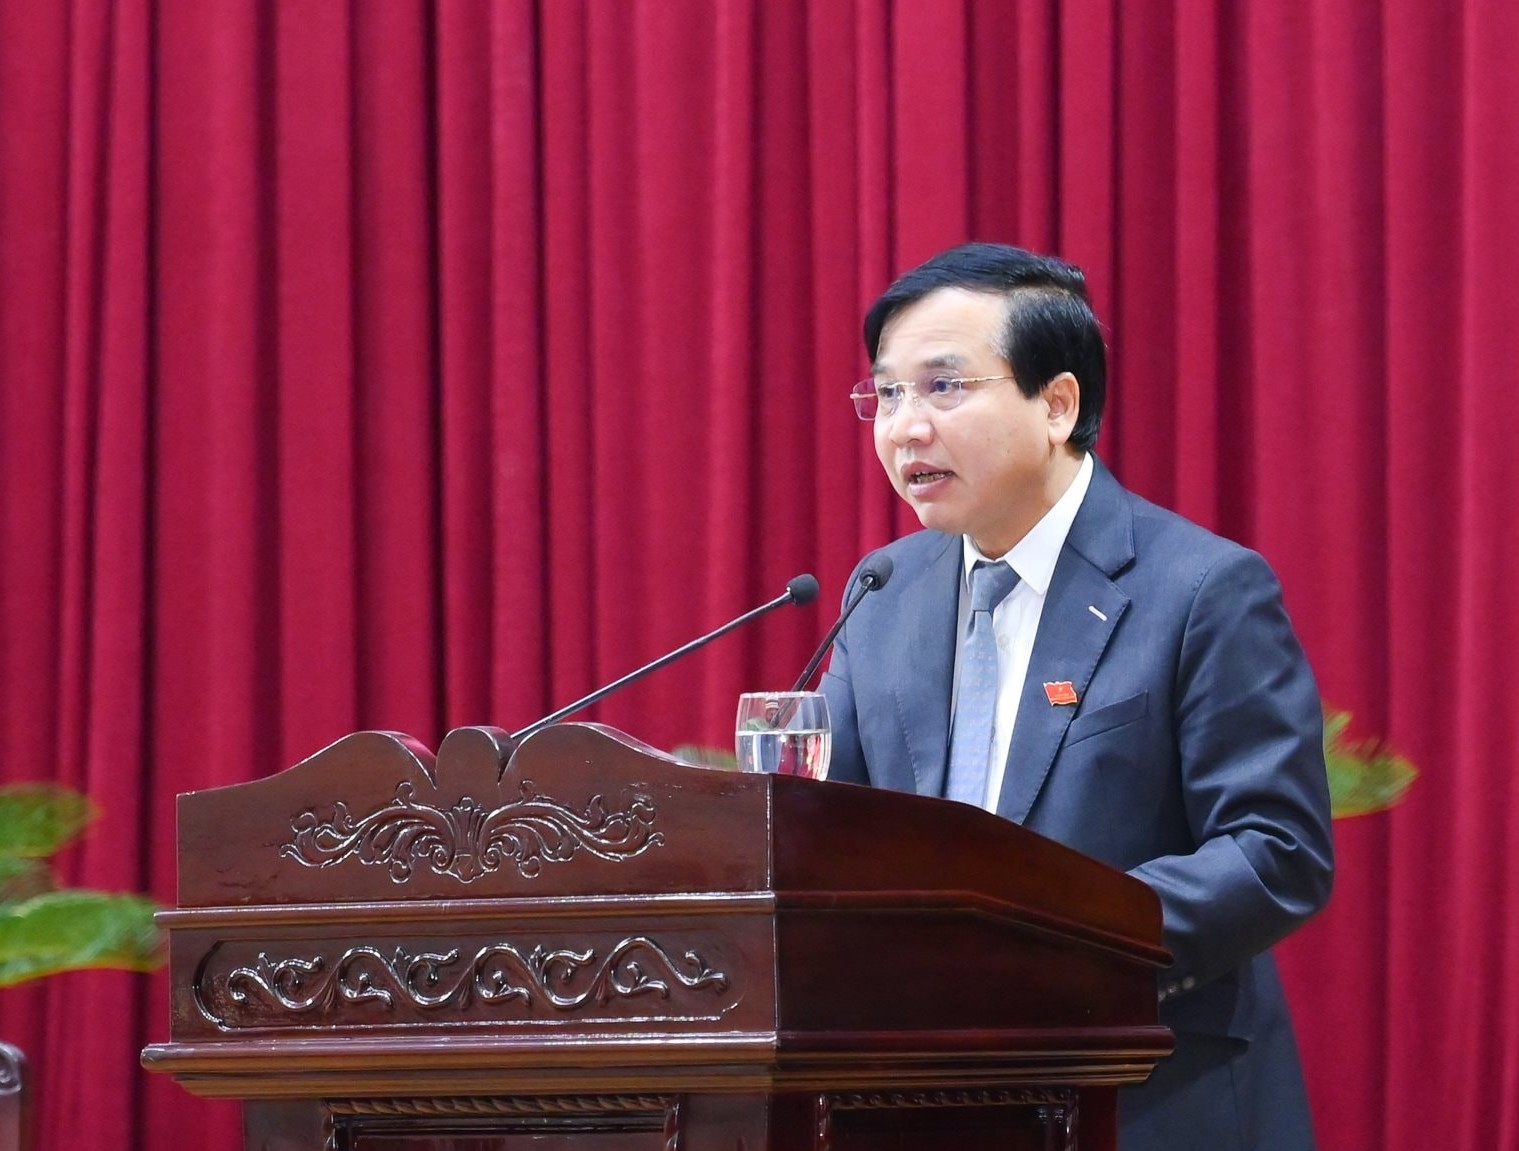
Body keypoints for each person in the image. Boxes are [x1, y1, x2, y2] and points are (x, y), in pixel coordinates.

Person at [820, 242, 1334, 1150]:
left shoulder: (1200, 589)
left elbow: (1273, 850)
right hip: (928, 1102)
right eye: (887, 393)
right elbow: (830, 838)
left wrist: (1053, 946)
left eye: (943, 387)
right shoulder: (884, 593)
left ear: (1056, 404)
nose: (904, 428)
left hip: (1148, 1095)